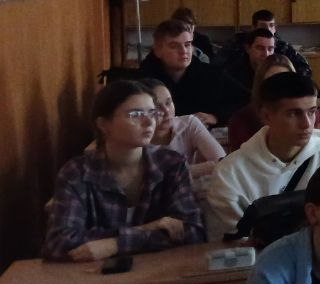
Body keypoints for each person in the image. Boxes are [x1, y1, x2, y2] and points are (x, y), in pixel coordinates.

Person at [44, 80, 205, 261]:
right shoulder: (76, 173)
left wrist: (115, 244)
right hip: (93, 275)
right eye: (135, 114)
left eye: (152, 113)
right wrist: (145, 229)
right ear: (103, 124)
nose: (149, 122)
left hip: (161, 270)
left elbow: (192, 232)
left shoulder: (171, 164)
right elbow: (59, 243)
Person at [205, 72, 320, 240]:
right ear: (266, 116)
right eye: (294, 113)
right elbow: (230, 242)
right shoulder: (230, 173)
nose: (307, 124)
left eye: (311, 112)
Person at [134, 77, 225, 196]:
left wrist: (173, 173)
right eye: (156, 107)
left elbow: (222, 162)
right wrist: (204, 168)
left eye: (168, 102)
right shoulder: (136, 141)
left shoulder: (188, 123)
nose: (167, 111)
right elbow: (149, 182)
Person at [139, 19, 234, 125]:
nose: (183, 51)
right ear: (158, 50)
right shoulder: (143, 81)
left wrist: (217, 117)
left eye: (187, 44)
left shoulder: (213, 75)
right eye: (174, 46)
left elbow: (244, 102)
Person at [226, 55, 296, 152]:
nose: (279, 86)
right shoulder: (241, 120)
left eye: (285, 79)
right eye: (271, 80)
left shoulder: (307, 114)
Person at [217, 9, 312, 77]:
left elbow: (304, 68)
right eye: (263, 26)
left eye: (271, 26)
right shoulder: (236, 44)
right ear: (253, 28)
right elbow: (217, 67)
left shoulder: (282, 46)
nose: (268, 30)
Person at [223, 28, 277, 110]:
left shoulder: (279, 71)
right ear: (248, 49)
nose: (266, 54)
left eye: (270, 49)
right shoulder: (232, 75)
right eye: (260, 48)